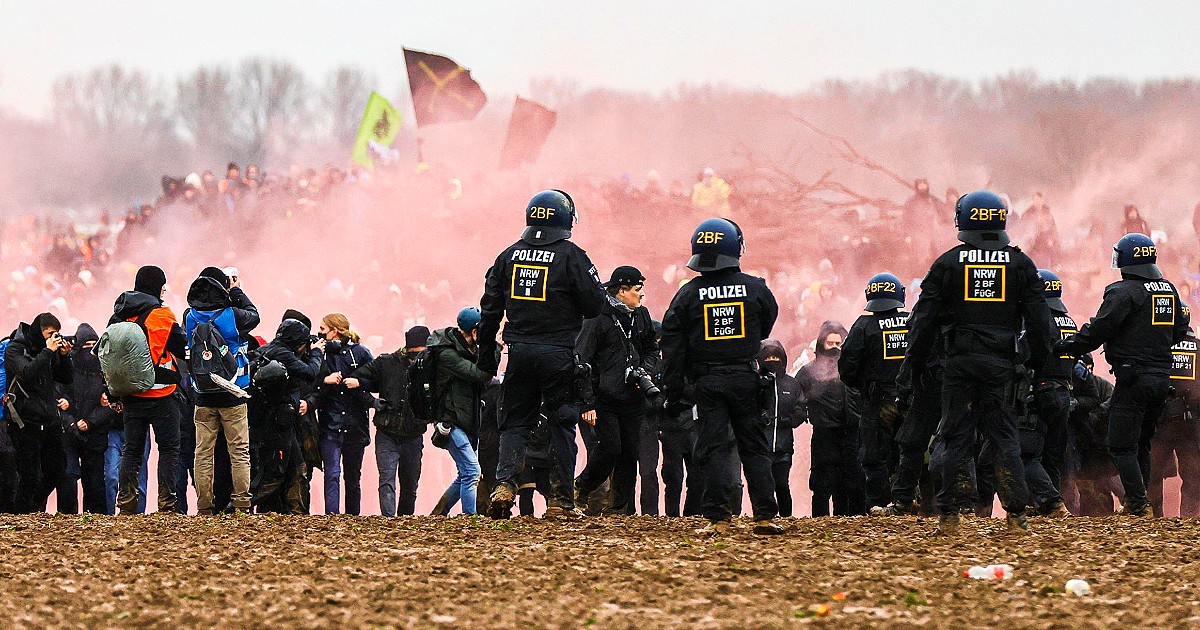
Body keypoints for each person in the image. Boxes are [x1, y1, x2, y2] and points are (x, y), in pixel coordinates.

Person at [898, 190, 1054, 536]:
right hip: (1002, 366)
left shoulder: (948, 263)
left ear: (962, 219)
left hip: (960, 365)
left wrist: (912, 367)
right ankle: (1016, 516)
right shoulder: (1020, 263)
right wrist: (1035, 364)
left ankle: (950, 517)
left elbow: (922, 322)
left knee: (955, 436)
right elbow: (1042, 323)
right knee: (1005, 437)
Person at [477, 190, 607, 519]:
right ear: (566, 220)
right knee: (562, 423)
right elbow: (595, 304)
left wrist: (486, 353)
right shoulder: (573, 255)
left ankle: (505, 485)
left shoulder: (508, 256)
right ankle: (562, 501)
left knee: (514, 422)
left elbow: (489, 308)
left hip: (519, 351)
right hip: (559, 353)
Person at [661, 217, 783, 536]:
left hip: (708, 383)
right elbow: (767, 323)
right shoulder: (756, 288)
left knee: (712, 447)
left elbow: (673, 346)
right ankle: (766, 516)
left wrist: (673, 392)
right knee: (753, 446)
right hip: (745, 378)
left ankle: (717, 518)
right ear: (736, 248)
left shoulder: (687, 295)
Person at [1060, 233, 1191, 516]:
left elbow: (1100, 329)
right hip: (1161, 379)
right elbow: (1180, 328)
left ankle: (1137, 504)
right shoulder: (1168, 289)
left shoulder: (1122, 292)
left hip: (1133, 378)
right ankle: (1142, 499)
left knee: (1119, 444)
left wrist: (1067, 347)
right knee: (1142, 442)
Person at [573, 266, 661, 515]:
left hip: (633, 395)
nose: (641, 295)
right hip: (604, 397)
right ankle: (582, 487)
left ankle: (619, 509)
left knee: (630, 451)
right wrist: (587, 402)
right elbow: (582, 359)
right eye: (636, 289)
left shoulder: (641, 315)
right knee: (610, 447)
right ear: (621, 291)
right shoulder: (596, 317)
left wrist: (644, 370)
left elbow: (652, 350)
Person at [109, 265, 187, 514]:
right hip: (162, 393)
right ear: (156, 286)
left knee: (131, 450)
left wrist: (114, 393)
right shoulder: (163, 316)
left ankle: (127, 503)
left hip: (131, 393)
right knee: (168, 449)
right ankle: (166, 504)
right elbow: (180, 346)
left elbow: (110, 356)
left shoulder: (118, 314)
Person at [184, 267, 260, 515]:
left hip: (202, 393)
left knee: (203, 452)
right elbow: (255, 316)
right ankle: (241, 502)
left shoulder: (189, 316)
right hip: (233, 390)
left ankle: (204, 505)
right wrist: (236, 290)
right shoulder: (233, 315)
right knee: (238, 450)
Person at [839, 273, 910, 510]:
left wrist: (864, 386)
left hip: (878, 401)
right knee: (910, 451)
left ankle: (879, 506)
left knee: (875, 458)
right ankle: (908, 502)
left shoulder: (863, 326)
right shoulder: (912, 321)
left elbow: (847, 369)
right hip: (913, 400)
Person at [345, 326, 430, 517]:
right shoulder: (386, 363)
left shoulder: (432, 367)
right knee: (387, 480)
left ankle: (405, 521)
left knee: (410, 485)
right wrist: (372, 402)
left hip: (414, 434)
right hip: (387, 432)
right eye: (414, 354)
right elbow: (354, 380)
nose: (417, 359)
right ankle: (389, 520)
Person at [249, 319, 323, 513]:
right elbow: (310, 372)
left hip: (274, 421)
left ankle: (297, 513)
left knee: (297, 467)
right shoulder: (283, 354)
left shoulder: (265, 350)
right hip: (277, 422)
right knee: (275, 473)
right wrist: (317, 352)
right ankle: (240, 506)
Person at [427, 308, 495, 516]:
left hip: (464, 420)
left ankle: (439, 512)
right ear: (473, 331)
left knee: (465, 472)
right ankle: (469, 516)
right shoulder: (447, 354)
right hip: (450, 421)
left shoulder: (465, 349)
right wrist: (495, 346)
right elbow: (479, 374)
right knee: (472, 471)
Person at [4, 312, 73, 513]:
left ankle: (32, 508)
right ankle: (22, 515)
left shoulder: (48, 351)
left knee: (57, 468)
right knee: (29, 474)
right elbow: (26, 374)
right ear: (39, 331)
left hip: (49, 419)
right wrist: (48, 352)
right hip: (24, 421)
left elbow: (65, 378)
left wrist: (63, 356)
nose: (54, 338)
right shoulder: (15, 349)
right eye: (51, 333)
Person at [1021, 269, 1077, 517]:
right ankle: (1048, 506)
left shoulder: (1038, 319)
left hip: (1041, 391)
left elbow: (1024, 354)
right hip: (1064, 393)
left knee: (1027, 453)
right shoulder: (1068, 321)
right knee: (1052, 455)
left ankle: (1052, 501)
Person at [798, 322, 864, 516]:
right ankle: (820, 519)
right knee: (822, 480)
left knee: (854, 478)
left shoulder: (854, 368)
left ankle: (855, 520)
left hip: (852, 431)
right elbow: (796, 396)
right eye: (830, 343)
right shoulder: (808, 371)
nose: (835, 347)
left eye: (839, 342)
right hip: (824, 432)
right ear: (821, 344)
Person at [311, 313, 373, 515]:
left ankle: (353, 517)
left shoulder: (360, 353)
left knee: (353, 477)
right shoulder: (320, 353)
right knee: (332, 474)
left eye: (322, 329)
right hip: (331, 424)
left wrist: (360, 383)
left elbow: (375, 378)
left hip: (354, 424)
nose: (319, 333)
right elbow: (309, 380)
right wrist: (324, 380)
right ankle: (332, 516)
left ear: (334, 331)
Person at [58, 324, 112, 514]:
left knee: (95, 481)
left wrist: (90, 421)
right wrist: (71, 422)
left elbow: (111, 404)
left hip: (96, 434)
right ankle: (66, 518)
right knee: (68, 476)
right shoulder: (67, 368)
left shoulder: (105, 370)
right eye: (85, 345)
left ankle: (97, 518)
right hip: (70, 434)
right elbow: (60, 398)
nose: (89, 349)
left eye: (93, 344)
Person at [1149, 328, 1200, 517]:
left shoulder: (1158, 345)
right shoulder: (1198, 347)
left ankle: (1154, 517)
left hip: (1160, 420)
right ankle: (1189, 518)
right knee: (1193, 474)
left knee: (1153, 472)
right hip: (1192, 423)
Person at [758, 339, 805, 517]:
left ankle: (786, 517)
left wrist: (790, 420)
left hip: (784, 446)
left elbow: (801, 407)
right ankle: (764, 516)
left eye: (776, 356)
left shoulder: (791, 384)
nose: (772, 360)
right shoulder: (755, 382)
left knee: (782, 485)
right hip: (760, 445)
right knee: (763, 485)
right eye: (768, 356)